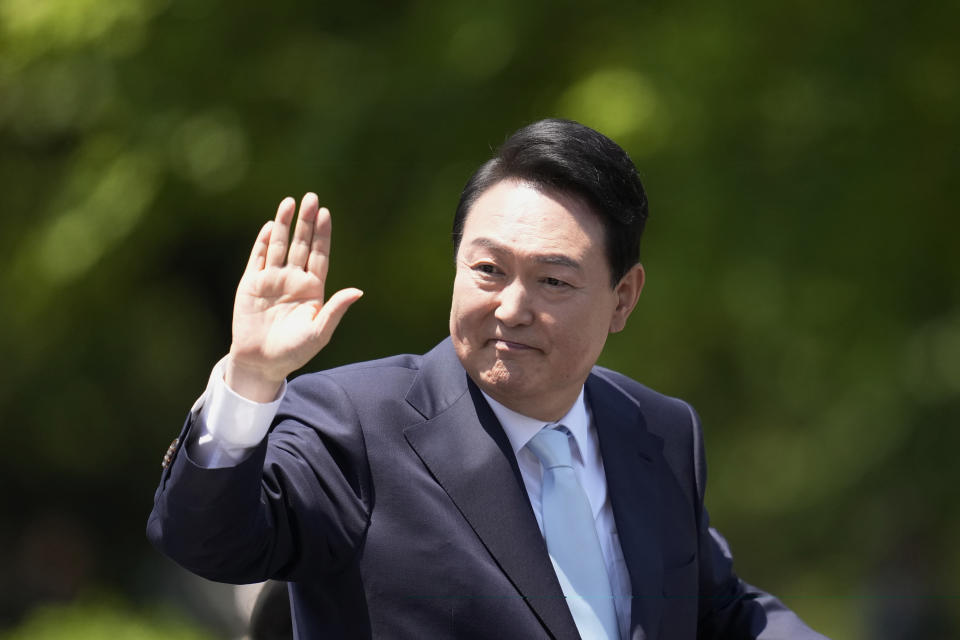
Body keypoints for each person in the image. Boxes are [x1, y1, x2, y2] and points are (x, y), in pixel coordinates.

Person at [148, 119, 828, 639]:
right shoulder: (353, 422)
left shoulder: (657, 427)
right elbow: (206, 540)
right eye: (488, 270)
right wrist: (252, 378)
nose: (510, 307)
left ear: (623, 298)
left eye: (553, 281)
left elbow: (718, 608)